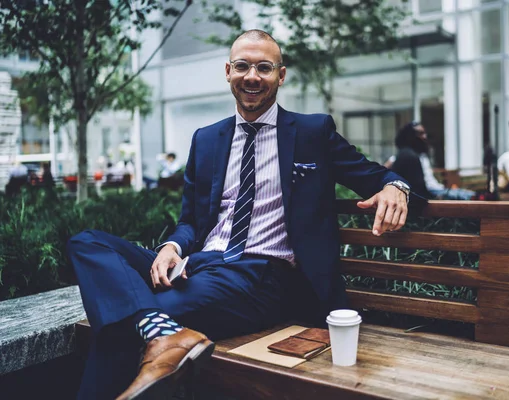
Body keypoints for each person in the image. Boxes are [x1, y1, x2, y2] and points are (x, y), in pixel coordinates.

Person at [68, 29, 411, 400]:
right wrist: (170, 246)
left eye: (264, 68)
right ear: (228, 71)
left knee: (125, 322)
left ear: (281, 75)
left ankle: (156, 330)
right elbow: (191, 223)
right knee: (86, 241)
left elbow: (376, 175)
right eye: (243, 66)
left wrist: (396, 187)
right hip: (198, 266)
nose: (252, 76)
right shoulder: (206, 139)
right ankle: (160, 331)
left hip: (261, 276)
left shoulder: (313, 132)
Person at [391, 121, 475, 200]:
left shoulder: (421, 155)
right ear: (410, 135)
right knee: (469, 196)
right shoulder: (407, 156)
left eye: (424, 133)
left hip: (438, 189)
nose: (424, 136)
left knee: (470, 194)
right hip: (431, 193)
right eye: (420, 133)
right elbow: (420, 189)